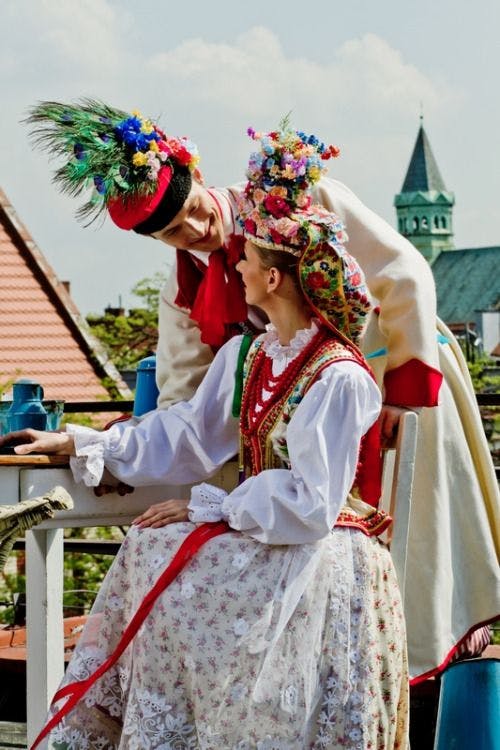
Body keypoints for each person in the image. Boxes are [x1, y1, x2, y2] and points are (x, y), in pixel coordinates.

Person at [26, 101, 499, 683]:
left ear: (198, 178)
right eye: (174, 232)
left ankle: (422, 666)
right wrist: (100, 447)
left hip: (392, 368)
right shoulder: (188, 289)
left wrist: (404, 388)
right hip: (303, 425)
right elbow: (190, 405)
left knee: (420, 539)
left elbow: (405, 274)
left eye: (194, 212)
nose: (196, 232)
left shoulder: (294, 199)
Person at [2, 129, 409, 748]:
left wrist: (212, 508)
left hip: (315, 540)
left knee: (174, 560)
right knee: (150, 547)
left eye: (248, 260)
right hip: (268, 527)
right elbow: (189, 430)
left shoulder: (338, 376)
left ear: (273, 279)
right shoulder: (248, 355)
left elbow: (312, 503)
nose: (232, 261)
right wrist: (93, 444)